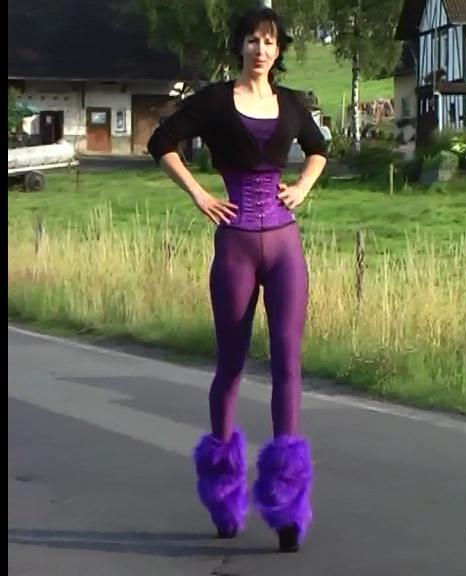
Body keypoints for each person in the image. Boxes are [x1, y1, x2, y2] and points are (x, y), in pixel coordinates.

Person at [147, 7, 327, 553]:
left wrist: (303, 186)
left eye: (269, 42)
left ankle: (288, 505)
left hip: (285, 245)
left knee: (288, 365)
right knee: (230, 365)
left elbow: (319, 150)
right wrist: (199, 194)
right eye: (252, 40)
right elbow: (161, 142)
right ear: (240, 47)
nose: (260, 50)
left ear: (279, 50)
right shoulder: (214, 101)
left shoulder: (292, 103)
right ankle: (224, 495)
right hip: (236, 245)